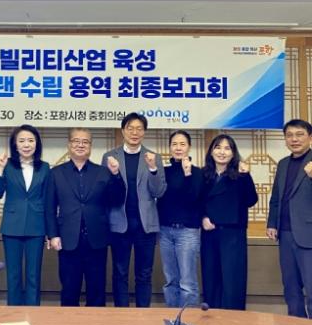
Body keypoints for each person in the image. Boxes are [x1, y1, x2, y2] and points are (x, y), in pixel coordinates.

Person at [46, 128, 125, 307]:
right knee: (69, 290)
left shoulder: (103, 172)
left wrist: (116, 175)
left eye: (85, 142)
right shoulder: (56, 173)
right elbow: (49, 207)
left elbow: (117, 199)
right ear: (69, 145)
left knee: (97, 291)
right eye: (76, 141)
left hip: (96, 239)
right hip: (67, 239)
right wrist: (53, 235)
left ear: (90, 146)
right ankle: (69, 323)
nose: (80, 145)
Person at [102, 112, 166, 307]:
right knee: (119, 272)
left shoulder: (154, 157)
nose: (134, 133)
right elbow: (105, 192)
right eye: (130, 128)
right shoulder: (109, 157)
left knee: (144, 274)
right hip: (119, 224)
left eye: (139, 129)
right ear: (123, 131)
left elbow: (159, 191)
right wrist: (113, 174)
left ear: (144, 132)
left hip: (145, 226)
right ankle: (121, 315)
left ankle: (143, 315)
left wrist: (153, 169)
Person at [0, 125, 50, 306]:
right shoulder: (8, 166)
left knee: (34, 275)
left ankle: (33, 312)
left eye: (31, 140)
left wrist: (50, 231)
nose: (26, 145)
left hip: (37, 226)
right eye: (22, 141)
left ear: (37, 144)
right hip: (12, 226)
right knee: (13, 275)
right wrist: (0, 171)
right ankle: (14, 312)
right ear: (15, 145)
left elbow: (47, 200)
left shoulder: (45, 167)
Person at [200, 134, 258, 310]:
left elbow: (251, 200)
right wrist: (203, 217)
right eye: (218, 147)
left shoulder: (240, 175)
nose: (222, 152)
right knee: (211, 278)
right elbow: (196, 202)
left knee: (233, 280)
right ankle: (211, 318)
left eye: (227, 148)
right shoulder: (203, 174)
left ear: (233, 153)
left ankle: (233, 321)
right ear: (211, 151)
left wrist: (246, 176)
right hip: (209, 233)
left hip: (233, 234)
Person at [266, 119, 312, 318]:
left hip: (308, 234)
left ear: (310, 137)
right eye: (290, 135)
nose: (294, 139)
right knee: (291, 288)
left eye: (299, 134)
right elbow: (277, 197)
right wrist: (271, 223)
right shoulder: (283, 163)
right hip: (285, 233)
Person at [157, 130, 203, 308]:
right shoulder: (163, 171)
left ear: (189, 147)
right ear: (169, 147)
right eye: (174, 144)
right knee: (170, 280)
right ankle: (173, 316)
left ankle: (188, 319)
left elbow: (194, 198)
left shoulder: (197, 173)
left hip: (188, 231)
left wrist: (187, 174)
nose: (178, 148)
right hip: (165, 231)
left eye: (182, 144)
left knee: (187, 282)